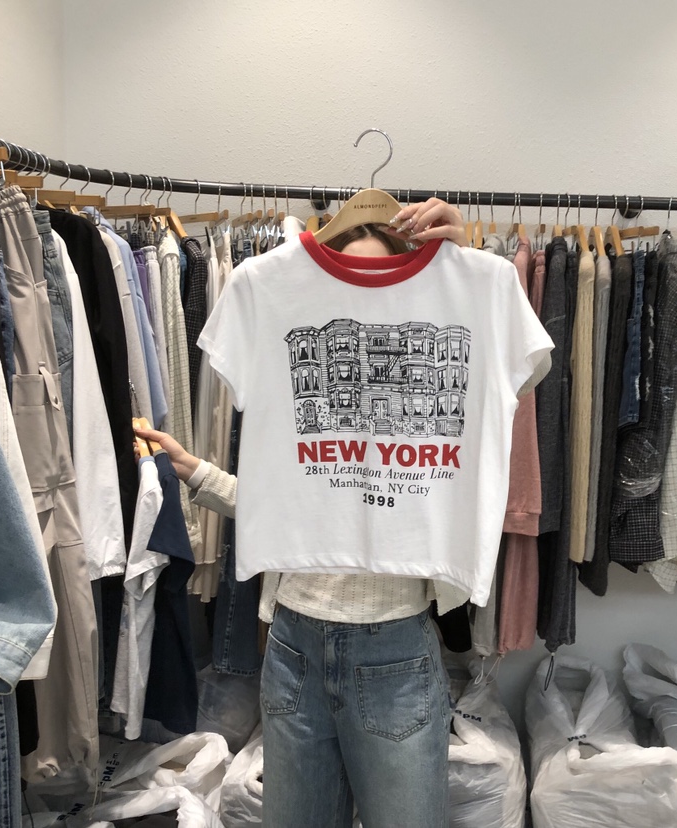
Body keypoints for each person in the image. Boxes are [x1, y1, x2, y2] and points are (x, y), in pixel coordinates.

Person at [135, 199, 470, 827]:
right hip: (294, 646)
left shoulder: (441, 353)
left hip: (396, 650)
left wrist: (463, 271)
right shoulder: (295, 341)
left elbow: (517, 383)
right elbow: (293, 507)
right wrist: (196, 472)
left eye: (380, 285)